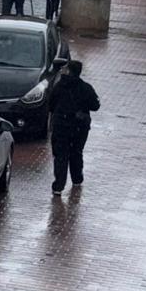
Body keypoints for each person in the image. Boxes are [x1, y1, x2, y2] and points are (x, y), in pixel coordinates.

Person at [49, 59, 100, 195]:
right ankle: (77, 178)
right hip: (79, 127)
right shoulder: (86, 88)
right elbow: (95, 106)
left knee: (61, 155)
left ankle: (58, 186)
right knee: (76, 152)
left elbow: (51, 104)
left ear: (70, 71)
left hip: (61, 126)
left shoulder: (60, 86)